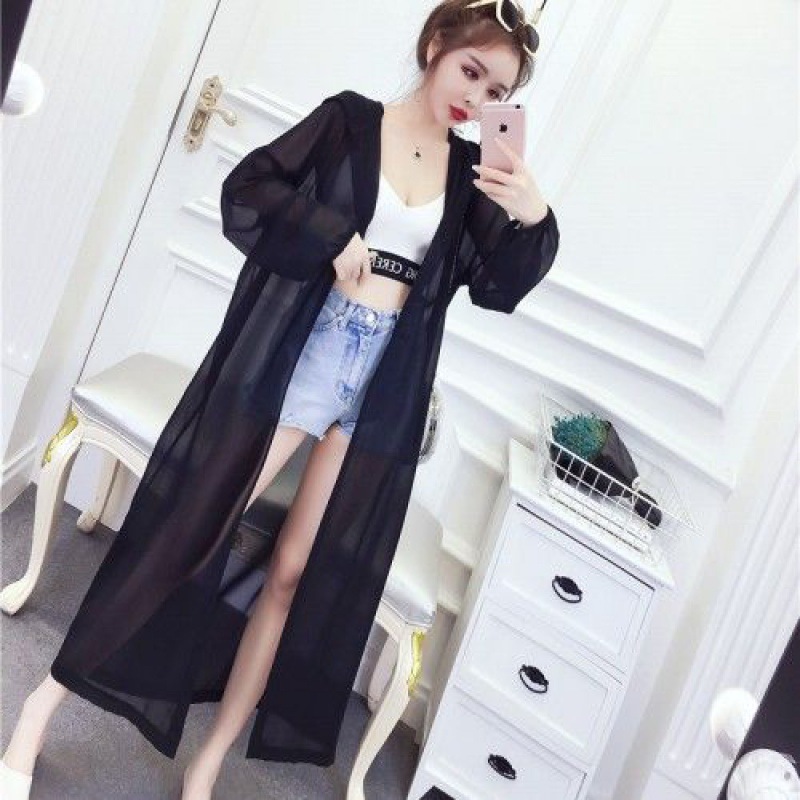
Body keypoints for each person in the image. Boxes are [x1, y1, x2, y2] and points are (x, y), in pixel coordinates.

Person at [1, 1, 557, 798]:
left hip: (384, 384)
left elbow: (496, 284)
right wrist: (333, 236)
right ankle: (40, 707)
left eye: (497, 91)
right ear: (436, 45)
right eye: (471, 71)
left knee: (292, 575)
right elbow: (251, 188)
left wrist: (533, 215)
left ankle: (208, 763)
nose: (477, 97)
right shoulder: (350, 123)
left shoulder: (472, 180)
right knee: (191, 532)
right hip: (315, 353)